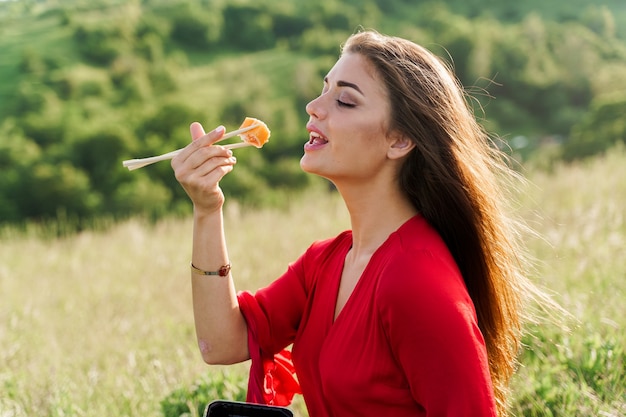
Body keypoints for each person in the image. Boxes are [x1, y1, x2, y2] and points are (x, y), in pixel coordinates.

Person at [172, 30, 536, 417]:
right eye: (323, 89)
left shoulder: (418, 282)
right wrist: (207, 210)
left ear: (399, 140)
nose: (314, 106)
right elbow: (222, 342)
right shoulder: (325, 263)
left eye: (344, 100)